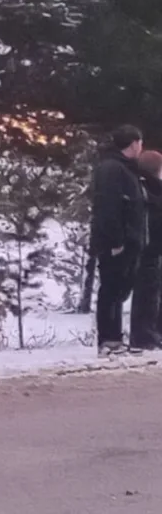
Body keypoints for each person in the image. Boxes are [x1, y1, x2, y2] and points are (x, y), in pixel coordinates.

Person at [89, 125, 148, 356]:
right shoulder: (112, 169)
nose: (142, 147)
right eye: (140, 143)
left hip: (129, 240)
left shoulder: (126, 168)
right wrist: (116, 240)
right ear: (133, 143)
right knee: (111, 290)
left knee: (119, 291)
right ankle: (108, 340)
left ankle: (116, 339)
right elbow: (109, 207)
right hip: (115, 242)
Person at [130, 150, 162, 349]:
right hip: (150, 247)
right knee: (147, 292)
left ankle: (153, 333)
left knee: (153, 291)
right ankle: (144, 336)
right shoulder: (149, 190)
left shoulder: (147, 189)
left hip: (152, 246)